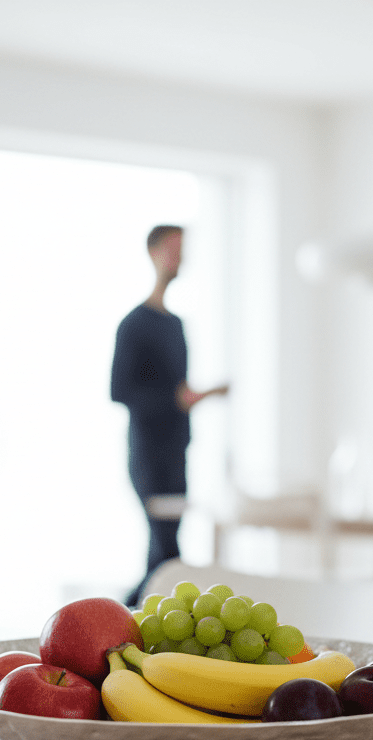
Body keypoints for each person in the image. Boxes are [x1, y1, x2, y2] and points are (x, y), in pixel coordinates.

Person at [111, 225, 228, 607]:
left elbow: (181, 392)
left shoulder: (175, 325)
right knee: (167, 557)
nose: (179, 258)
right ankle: (120, 614)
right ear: (153, 252)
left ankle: (131, 617)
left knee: (163, 554)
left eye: (183, 250)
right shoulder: (133, 325)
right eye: (172, 249)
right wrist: (177, 398)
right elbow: (120, 390)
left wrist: (195, 397)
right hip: (148, 455)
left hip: (178, 452)